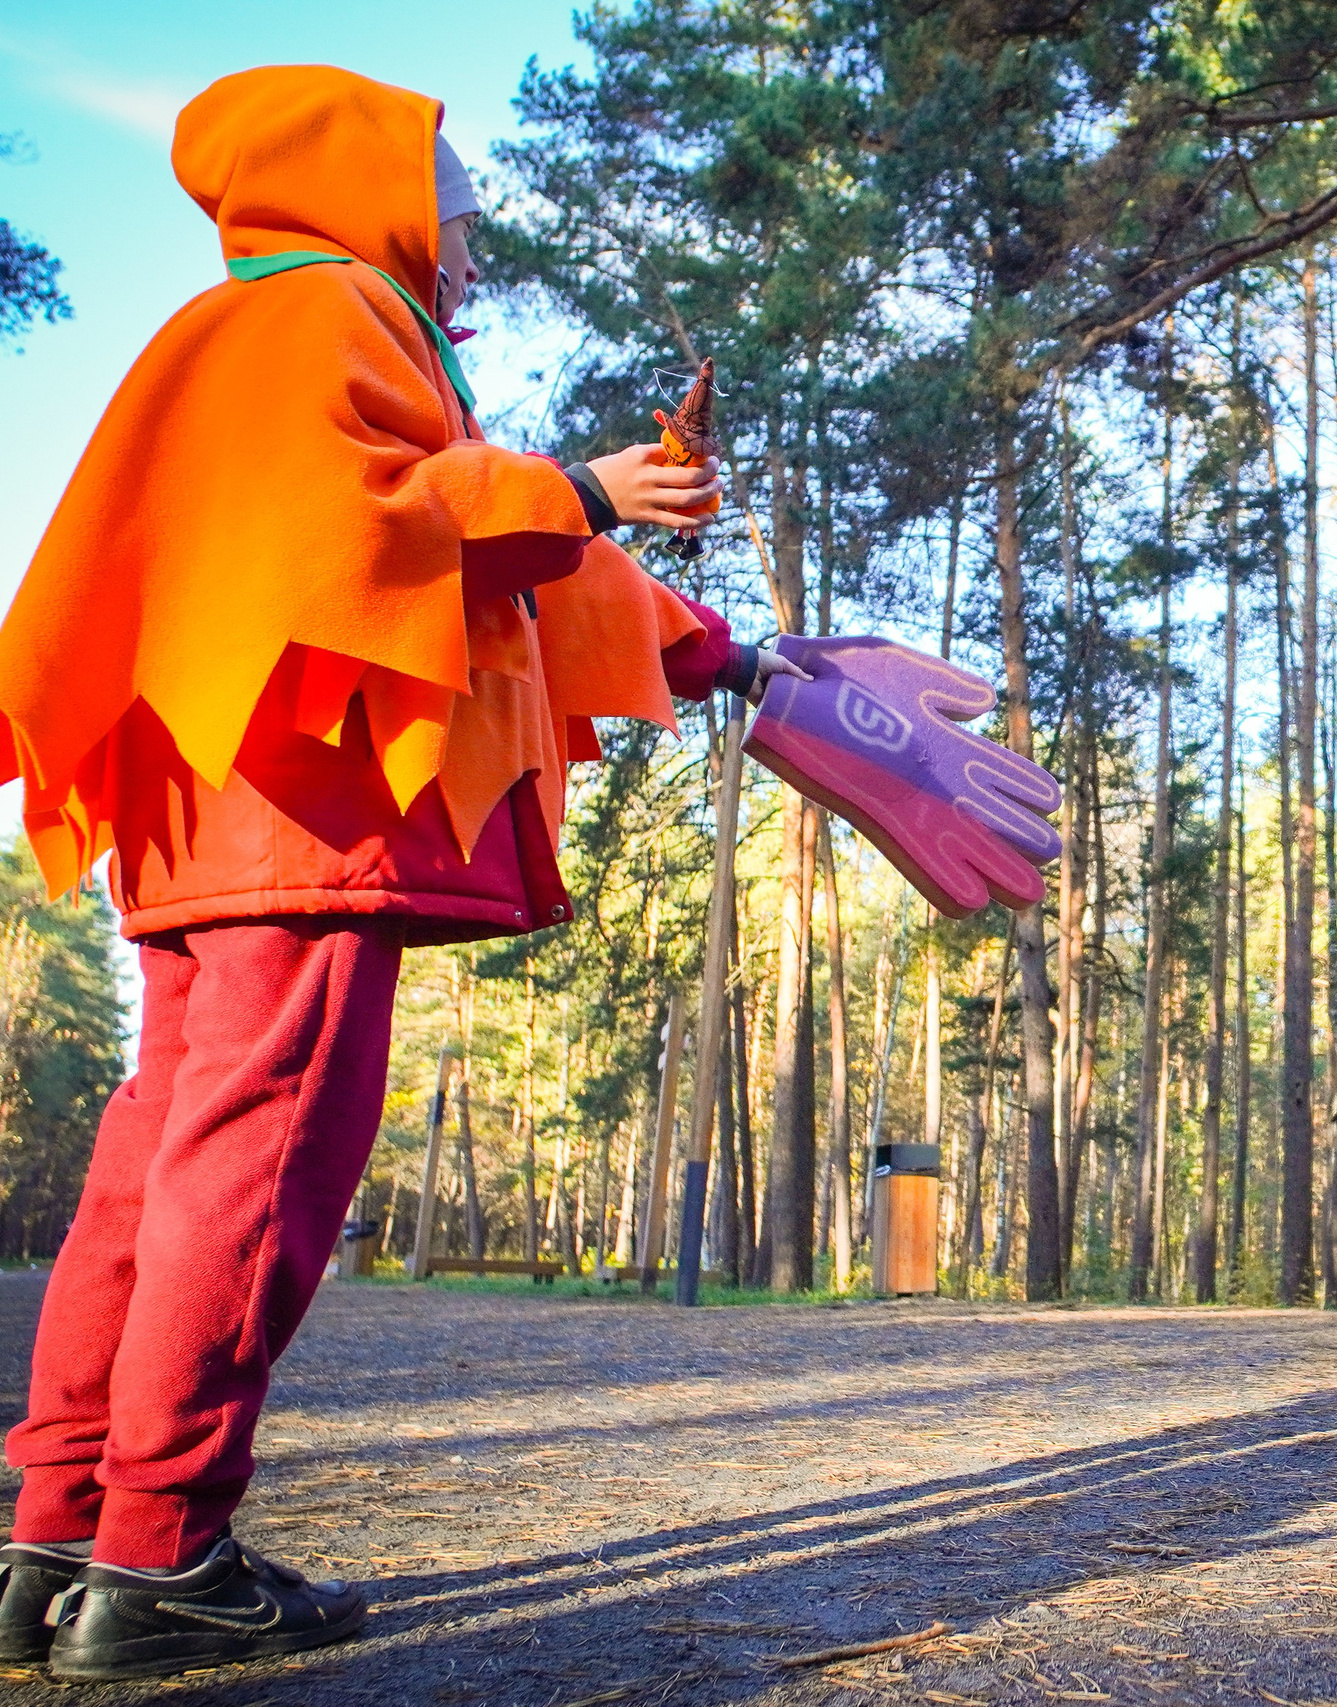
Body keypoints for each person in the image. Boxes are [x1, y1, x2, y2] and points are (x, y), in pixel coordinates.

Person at [0, 66, 805, 1680]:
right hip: (302, 792)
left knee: (159, 1155)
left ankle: (60, 1536)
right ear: (362, 181)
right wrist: (584, 489)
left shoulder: (248, 332)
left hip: (204, 795)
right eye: (457, 198)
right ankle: (162, 1553)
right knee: (262, 1155)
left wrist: (697, 630)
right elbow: (369, 519)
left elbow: (488, 558)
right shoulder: (323, 313)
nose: (476, 233)